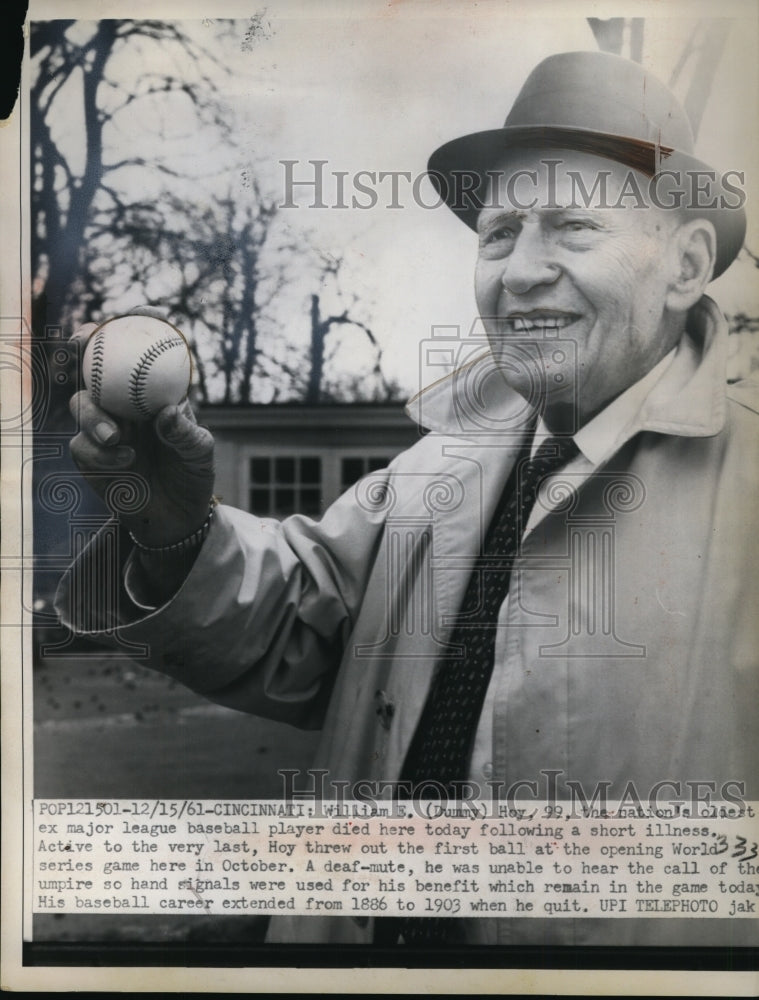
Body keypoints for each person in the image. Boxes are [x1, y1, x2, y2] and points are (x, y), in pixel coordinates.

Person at [56, 51, 758, 946]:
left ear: (685, 264)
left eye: (573, 227)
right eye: (499, 233)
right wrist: (171, 530)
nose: (519, 271)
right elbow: (297, 628)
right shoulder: (438, 469)